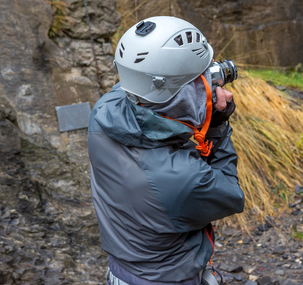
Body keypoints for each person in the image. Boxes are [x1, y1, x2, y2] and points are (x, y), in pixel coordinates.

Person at [88, 16, 245, 285]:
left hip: (122, 272)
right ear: (183, 94)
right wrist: (217, 124)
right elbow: (231, 193)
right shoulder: (183, 180)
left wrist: (195, 97)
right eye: (205, 76)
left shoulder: (103, 113)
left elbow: (150, 96)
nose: (215, 78)